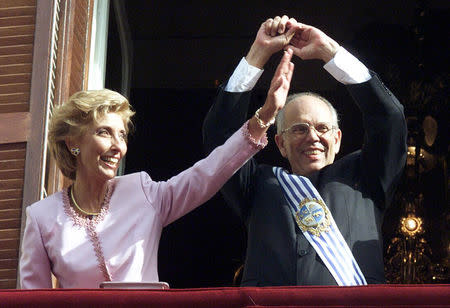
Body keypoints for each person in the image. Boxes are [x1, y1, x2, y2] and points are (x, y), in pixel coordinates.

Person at [19, 80, 294, 288]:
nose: (118, 146)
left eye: (122, 135)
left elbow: (207, 174)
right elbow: (33, 303)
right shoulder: (42, 217)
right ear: (73, 143)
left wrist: (264, 117)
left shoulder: (141, 192)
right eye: (104, 132)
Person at [203, 16, 407, 286]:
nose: (313, 137)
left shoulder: (367, 177)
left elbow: (388, 118)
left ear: (337, 138)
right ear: (280, 143)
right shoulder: (256, 185)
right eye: (299, 129)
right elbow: (221, 137)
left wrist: (329, 52)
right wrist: (258, 54)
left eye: (322, 128)